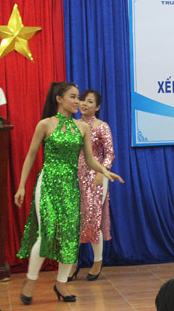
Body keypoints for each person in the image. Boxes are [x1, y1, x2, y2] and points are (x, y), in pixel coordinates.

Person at [14, 82, 123, 304]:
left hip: (71, 187)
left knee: (69, 237)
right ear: (59, 99)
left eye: (78, 97)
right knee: (47, 233)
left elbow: (90, 159)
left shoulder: (82, 127)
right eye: (73, 97)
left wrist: (104, 171)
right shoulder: (45, 124)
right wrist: (22, 185)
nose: (77, 101)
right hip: (48, 184)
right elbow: (31, 155)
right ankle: (31, 280)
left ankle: (61, 283)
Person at [67, 89, 115, 282]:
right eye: (82, 100)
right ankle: (72, 263)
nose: (84, 104)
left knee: (93, 218)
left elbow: (109, 153)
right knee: (73, 221)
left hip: (96, 176)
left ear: (97, 107)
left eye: (89, 101)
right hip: (74, 176)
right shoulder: (72, 124)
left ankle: (97, 260)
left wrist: (101, 172)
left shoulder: (101, 126)